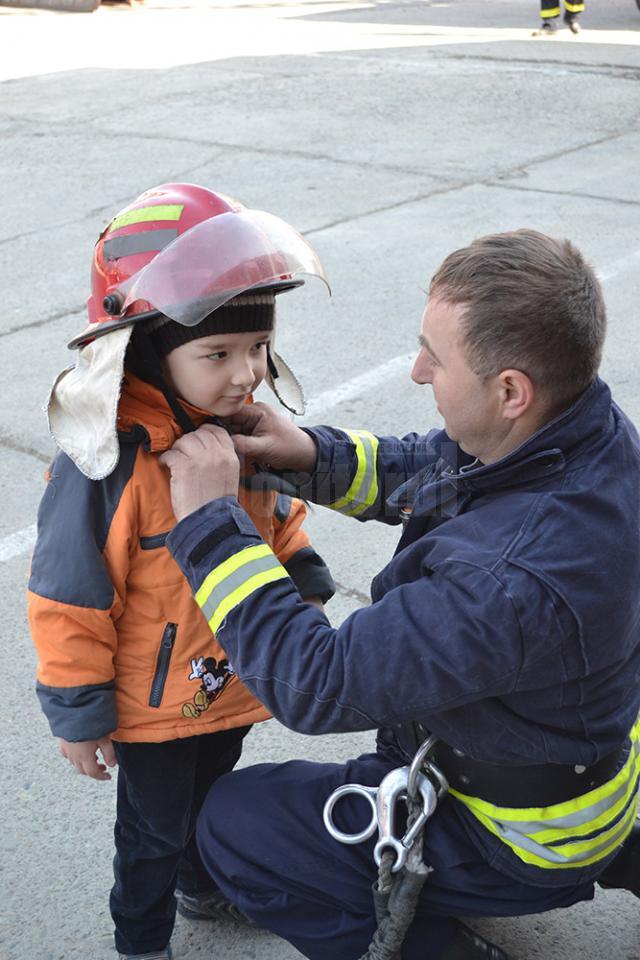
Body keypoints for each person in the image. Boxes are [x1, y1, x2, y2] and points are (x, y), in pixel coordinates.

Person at [159, 229, 640, 960]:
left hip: (526, 829)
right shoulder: (589, 433)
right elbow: (443, 468)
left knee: (233, 824)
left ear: (512, 390)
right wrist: (310, 455)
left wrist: (210, 528)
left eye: (435, 358)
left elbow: (315, 682)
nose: (416, 371)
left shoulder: (506, 582)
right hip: (582, 753)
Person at [27, 182, 335, 960]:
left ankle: (204, 888)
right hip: (153, 706)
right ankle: (141, 940)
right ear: (148, 350)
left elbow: (275, 518)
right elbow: (68, 596)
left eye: (259, 348)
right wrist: (78, 710)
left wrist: (303, 572)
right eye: (219, 354)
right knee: (153, 830)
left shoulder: (234, 431)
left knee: (215, 800)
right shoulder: (110, 467)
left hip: (229, 678)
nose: (247, 374)